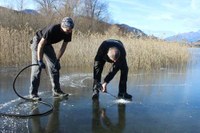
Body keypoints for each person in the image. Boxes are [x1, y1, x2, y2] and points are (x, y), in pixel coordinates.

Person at [29, 17, 74, 100]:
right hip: (38, 42)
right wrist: (39, 60)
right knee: (37, 68)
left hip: (47, 44)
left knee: (54, 67)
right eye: (68, 30)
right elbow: (40, 45)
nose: (70, 31)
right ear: (62, 26)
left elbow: (63, 47)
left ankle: (56, 91)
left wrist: (57, 59)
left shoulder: (69, 32)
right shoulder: (52, 29)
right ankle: (33, 94)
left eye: (71, 29)